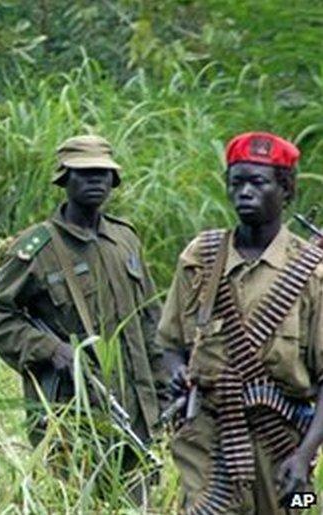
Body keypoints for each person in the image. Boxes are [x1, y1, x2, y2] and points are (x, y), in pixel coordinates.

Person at [0, 135, 163, 496]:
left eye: (103, 173)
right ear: (64, 179)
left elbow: (149, 320)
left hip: (136, 409)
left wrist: (164, 387)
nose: (96, 180)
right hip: (73, 411)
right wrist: (50, 349)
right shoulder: (39, 248)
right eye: (85, 173)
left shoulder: (125, 239)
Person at [159, 132, 323, 514]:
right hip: (209, 440)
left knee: (301, 509)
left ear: (285, 191)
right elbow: (171, 344)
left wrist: (304, 457)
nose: (244, 192)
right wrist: (177, 371)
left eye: (258, 182)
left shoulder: (312, 272)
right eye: (237, 183)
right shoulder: (201, 257)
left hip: (283, 444)